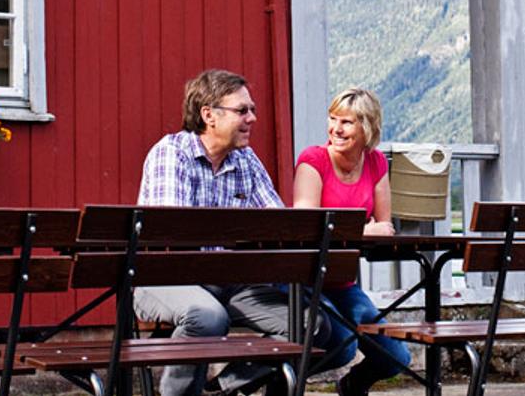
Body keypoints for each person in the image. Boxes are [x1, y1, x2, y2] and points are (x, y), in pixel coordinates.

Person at [135, 68, 331, 396]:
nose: (252, 118)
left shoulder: (245, 160)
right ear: (208, 115)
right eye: (242, 110)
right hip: (167, 277)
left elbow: (278, 224)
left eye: (252, 110)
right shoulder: (172, 153)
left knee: (313, 325)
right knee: (206, 316)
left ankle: (221, 389)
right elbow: (173, 239)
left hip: (232, 281)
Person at [292, 88, 412, 396]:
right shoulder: (313, 160)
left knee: (396, 357)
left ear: (367, 127)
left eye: (346, 122)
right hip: (306, 282)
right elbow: (306, 227)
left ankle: (352, 386)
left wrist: (365, 230)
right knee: (343, 346)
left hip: (344, 285)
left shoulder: (375, 164)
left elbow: (385, 226)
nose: (336, 129)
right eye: (333, 119)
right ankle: (279, 378)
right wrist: (364, 229)